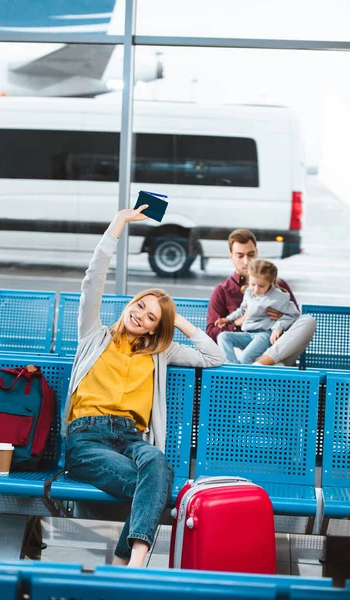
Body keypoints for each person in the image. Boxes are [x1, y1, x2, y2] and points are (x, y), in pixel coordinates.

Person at [63, 205, 225, 568]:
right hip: (86, 438)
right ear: (129, 304)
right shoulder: (94, 334)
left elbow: (214, 357)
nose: (140, 315)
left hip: (132, 438)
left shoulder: (160, 352)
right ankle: (131, 565)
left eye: (151, 317)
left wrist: (176, 318)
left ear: (155, 328)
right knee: (156, 483)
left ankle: (130, 566)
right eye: (140, 306)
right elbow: (93, 280)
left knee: (156, 463)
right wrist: (118, 224)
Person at [206, 228, 316, 366]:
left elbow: (295, 324)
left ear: (257, 253)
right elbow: (211, 332)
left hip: (275, 349)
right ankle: (258, 368)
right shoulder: (222, 291)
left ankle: (262, 364)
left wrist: (281, 319)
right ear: (231, 256)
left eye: (250, 254)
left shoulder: (278, 286)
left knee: (308, 321)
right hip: (243, 350)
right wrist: (238, 322)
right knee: (231, 345)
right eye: (240, 256)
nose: (246, 261)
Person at [216, 259, 300, 364]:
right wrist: (227, 319)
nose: (256, 289)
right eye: (253, 284)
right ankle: (233, 367)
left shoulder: (279, 297)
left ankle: (237, 373)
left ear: (271, 281)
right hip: (248, 334)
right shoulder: (249, 292)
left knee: (245, 359)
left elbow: (294, 315)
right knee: (223, 337)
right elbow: (242, 310)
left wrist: (278, 328)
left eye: (261, 286)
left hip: (264, 336)